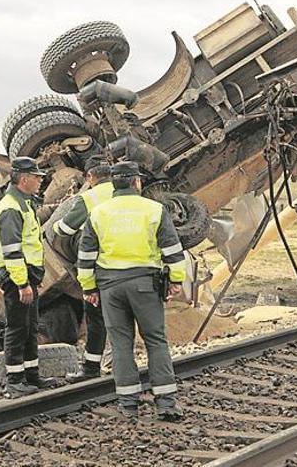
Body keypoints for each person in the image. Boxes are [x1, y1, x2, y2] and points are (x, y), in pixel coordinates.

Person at [77, 162, 187, 420]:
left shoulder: (98, 213)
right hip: (145, 285)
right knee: (155, 341)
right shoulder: (154, 210)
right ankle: (166, 404)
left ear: (114, 183)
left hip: (110, 288)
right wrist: (176, 280)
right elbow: (172, 251)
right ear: (136, 182)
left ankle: (128, 405)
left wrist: (89, 287)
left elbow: (85, 257)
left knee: (121, 345)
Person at [0, 157, 56, 397]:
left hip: (27, 277)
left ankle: (31, 376)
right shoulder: (10, 208)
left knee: (29, 327)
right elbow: (12, 251)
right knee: (17, 327)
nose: (41, 181)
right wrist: (22, 284)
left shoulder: (23, 203)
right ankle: (15, 380)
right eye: (37, 177)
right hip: (18, 278)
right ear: (24, 179)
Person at [52, 156, 113, 383]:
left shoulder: (89, 198)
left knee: (96, 319)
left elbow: (65, 229)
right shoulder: (128, 195)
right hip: (127, 269)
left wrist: (55, 223)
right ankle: (122, 364)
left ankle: (91, 369)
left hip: (97, 269)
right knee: (124, 317)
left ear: (90, 177)